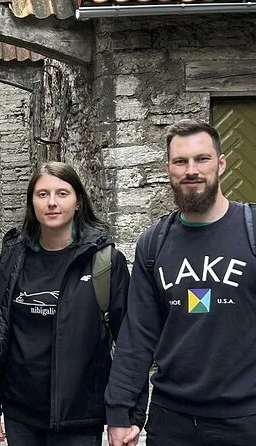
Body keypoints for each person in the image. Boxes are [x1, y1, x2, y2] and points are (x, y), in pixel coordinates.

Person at [0, 161, 143, 446]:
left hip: (79, 415)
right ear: (32, 203)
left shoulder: (104, 262)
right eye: (42, 194)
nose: (52, 203)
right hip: (21, 412)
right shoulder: (15, 258)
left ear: (78, 202)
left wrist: (125, 413)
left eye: (62, 193)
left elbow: (130, 342)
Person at [106, 119, 256, 446]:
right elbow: (138, 335)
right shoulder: (153, 243)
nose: (191, 170)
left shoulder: (251, 230)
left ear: (221, 163)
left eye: (202, 159)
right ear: (168, 169)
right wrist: (120, 411)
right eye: (180, 161)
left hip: (246, 419)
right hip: (171, 420)